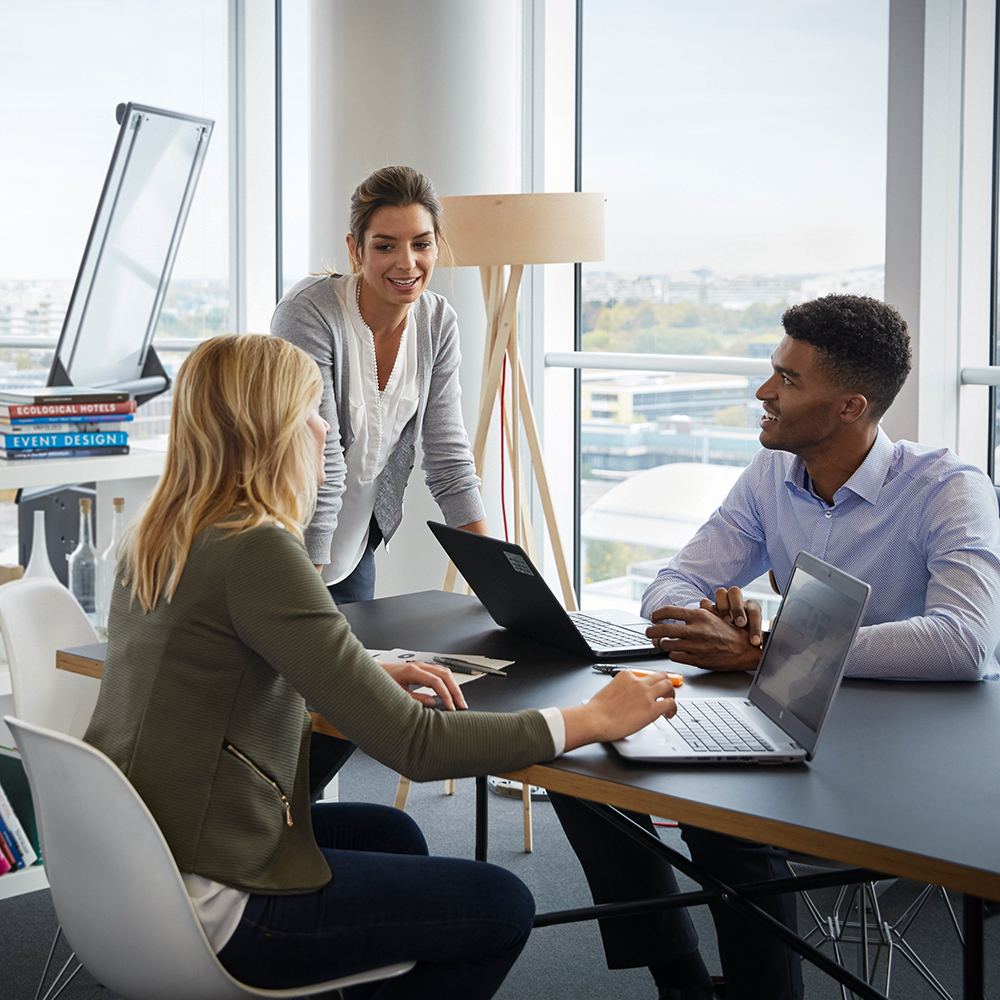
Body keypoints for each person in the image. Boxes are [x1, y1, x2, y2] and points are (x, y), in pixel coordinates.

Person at [83, 334, 680, 1000]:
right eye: (312, 412)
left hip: (139, 857)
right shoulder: (257, 550)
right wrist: (592, 717)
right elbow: (415, 746)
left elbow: (220, 662)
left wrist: (359, 671)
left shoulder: (164, 532)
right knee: (503, 906)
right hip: (217, 898)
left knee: (390, 832)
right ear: (272, 431)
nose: (323, 431)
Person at [550, 294, 1000, 1000]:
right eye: (773, 371)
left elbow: (964, 643)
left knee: (726, 820)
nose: (764, 391)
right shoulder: (772, 475)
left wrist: (768, 652)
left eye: (788, 380)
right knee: (582, 759)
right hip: (783, 719)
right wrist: (711, 625)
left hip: (902, 759)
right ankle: (682, 979)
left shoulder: (948, 490)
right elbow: (669, 584)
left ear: (851, 405)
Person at [271, 164, 485, 607]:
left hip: (352, 549)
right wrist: (306, 611)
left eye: (421, 244)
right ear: (356, 249)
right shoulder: (309, 314)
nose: (407, 263)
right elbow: (321, 463)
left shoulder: (437, 322)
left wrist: (501, 586)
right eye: (385, 246)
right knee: (302, 672)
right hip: (284, 546)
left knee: (356, 672)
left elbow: (449, 459)